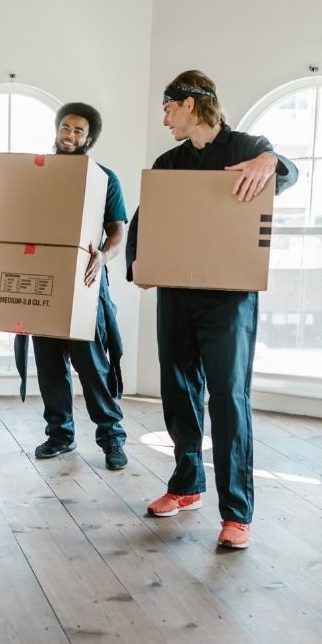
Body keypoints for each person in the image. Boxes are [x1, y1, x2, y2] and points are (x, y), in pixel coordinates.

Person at [125, 70, 298, 549]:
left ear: (189, 104)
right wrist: (137, 263)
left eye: (167, 109)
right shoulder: (169, 161)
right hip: (176, 295)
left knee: (228, 398)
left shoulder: (247, 148)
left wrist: (270, 160)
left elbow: (289, 171)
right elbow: (146, 219)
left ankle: (237, 513)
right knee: (177, 392)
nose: (164, 120)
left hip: (229, 301)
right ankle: (185, 487)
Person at [28, 102, 128, 471]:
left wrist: (103, 256)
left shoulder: (103, 178)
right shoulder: (35, 172)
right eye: (65, 128)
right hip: (43, 281)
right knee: (50, 366)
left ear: (90, 139)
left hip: (84, 281)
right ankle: (60, 435)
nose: (70, 135)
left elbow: (119, 232)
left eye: (78, 131)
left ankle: (112, 438)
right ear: (56, 130)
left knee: (92, 365)